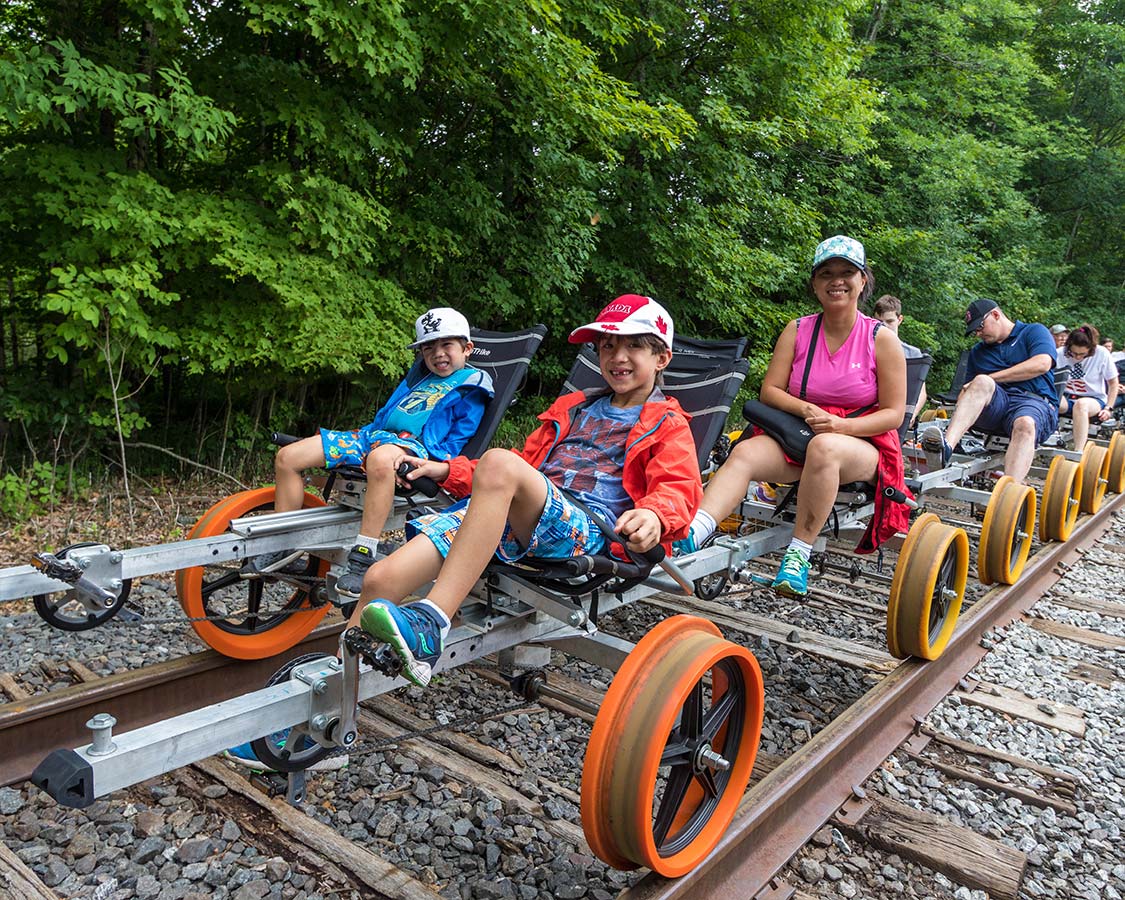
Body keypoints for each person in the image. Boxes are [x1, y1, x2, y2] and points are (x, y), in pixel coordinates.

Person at [349, 295, 701, 688]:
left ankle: (432, 621)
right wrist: (449, 469)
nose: (618, 356)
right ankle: (329, 697)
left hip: (588, 528)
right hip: (518, 514)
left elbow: (678, 488)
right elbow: (518, 466)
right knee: (380, 579)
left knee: (500, 463)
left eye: (634, 344)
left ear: (662, 358)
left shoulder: (668, 423)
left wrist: (654, 514)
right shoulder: (573, 408)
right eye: (607, 346)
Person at [677, 235, 909, 598]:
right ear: (815, 284)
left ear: (863, 280)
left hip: (860, 442)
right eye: (827, 273)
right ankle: (692, 532)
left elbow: (894, 414)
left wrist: (840, 426)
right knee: (745, 453)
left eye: (847, 272)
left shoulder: (881, 339)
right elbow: (770, 391)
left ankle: (798, 555)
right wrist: (806, 410)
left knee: (827, 448)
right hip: (800, 434)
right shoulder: (798, 330)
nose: (837, 280)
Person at [250, 308, 494, 598]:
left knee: (380, 460)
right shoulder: (421, 377)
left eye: (446, 346)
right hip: (373, 436)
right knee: (288, 457)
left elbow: (459, 437)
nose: (438, 354)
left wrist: (431, 464)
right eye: (429, 348)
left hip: (415, 447)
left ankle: (364, 553)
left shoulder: (472, 385)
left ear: (467, 348)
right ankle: (283, 546)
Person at [921, 299, 1057, 483]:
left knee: (1025, 423)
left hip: (1033, 402)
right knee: (982, 381)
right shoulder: (978, 351)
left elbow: (1042, 364)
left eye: (980, 327)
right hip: (995, 409)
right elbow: (969, 389)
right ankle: (945, 449)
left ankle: (1009, 493)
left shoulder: (1033, 332)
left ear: (995, 315)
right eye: (975, 330)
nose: (978, 334)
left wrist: (994, 377)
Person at [1057, 324, 1119, 449]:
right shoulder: (1059, 353)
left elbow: (1113, 383)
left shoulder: (1102, 353)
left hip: (1093, 399)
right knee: (1051, 401)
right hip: (1067, 397)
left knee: (1081, 405)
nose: (1078, 357)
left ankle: (1078, 451)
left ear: (1091, 349)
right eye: (1074, 353)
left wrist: (1108, 408)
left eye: (1082, 354)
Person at [873, 294, 927, 416]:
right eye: (879, 322)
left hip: (902, 411)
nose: (884, 326)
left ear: (900, 319)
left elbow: (920, 391)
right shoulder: (865, 349)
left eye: (890, 321)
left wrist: (912, 413)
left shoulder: (912, 353)